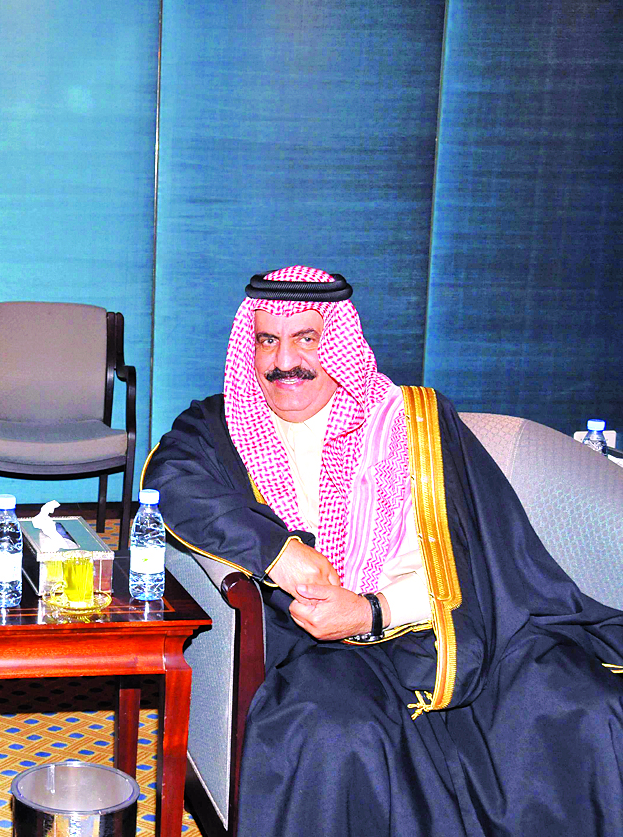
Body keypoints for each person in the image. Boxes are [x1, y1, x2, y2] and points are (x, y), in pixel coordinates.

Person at [143, 265, 623, 835]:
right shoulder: (220, 425)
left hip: (455, 625)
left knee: (582, 704)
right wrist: (278, 552)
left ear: (340, 344)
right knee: (333, 736)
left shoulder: (415, 423)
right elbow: (172, 480)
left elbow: (475, 559)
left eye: (306, 339)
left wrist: (374, 610)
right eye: (267, 340)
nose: (283, 361)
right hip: (323, 648)